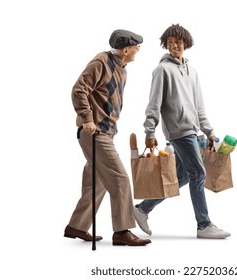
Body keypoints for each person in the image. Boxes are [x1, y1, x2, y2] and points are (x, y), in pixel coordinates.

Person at [134, 24, 231, 239]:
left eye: (178, 41)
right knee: (199, 173)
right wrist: (149, 132)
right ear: (165, 44)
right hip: (179, 131)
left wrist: (209, 131)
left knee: (183, 175)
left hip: (195, 132)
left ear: (185, 43)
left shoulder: (192, 72)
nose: (174, 45)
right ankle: (203, 225)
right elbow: (154, 103)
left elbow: (199, 107)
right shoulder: (162, 70)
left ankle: (142, 209)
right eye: (169, 42)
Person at [64, 29, 151, 246]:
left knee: (98, 181)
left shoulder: (121, 67)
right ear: (125, 50)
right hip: (94, 132)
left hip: (106, 132)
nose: (137, 51)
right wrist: (87, 119)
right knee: (120, 179)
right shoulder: (101, 63)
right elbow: (78, 90)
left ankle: (76, 226)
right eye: (135, 48)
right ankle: (122, 231)